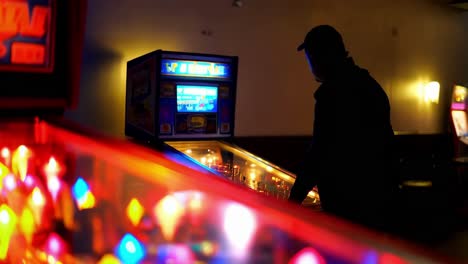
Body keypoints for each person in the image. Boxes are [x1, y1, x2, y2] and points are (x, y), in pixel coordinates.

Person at [289, 25, 399, 232]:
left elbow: (319, 152)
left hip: (348, 204)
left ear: (321, 57)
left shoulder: (332, 94)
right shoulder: (370, 85)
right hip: (379, 198)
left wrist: (293, 201)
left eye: (310, 59)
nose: (311, 66)